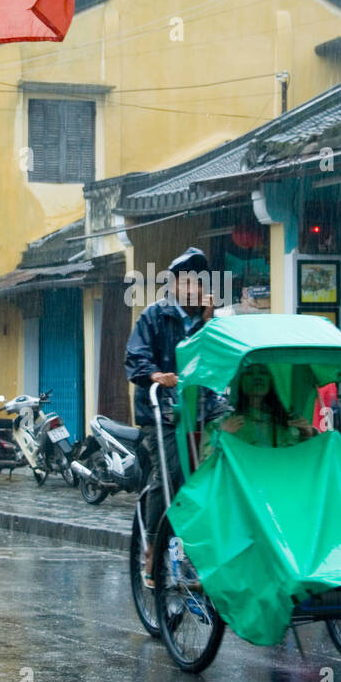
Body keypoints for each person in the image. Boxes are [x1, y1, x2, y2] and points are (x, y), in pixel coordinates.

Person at [125, 247, 214, 586]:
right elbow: (135, 359)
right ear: (174, 284)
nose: (192, 288)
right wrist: (156, 376)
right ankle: (152, 552)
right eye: (186, 281)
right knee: (171, 475)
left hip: (199, 412)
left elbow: (214, 360)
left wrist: (208, 321)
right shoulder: (154, 316)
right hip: (160, 415)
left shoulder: (204, 319)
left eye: (198, 281)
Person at [205, 364, 316, 456]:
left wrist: (308, 434)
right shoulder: (222, 425)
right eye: (248, 373)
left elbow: (309, 462)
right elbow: (205, 465)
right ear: (238, 381)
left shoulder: (289, 423)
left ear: (271, 381)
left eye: (263, 373)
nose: (257, 377)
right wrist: (221, 437)